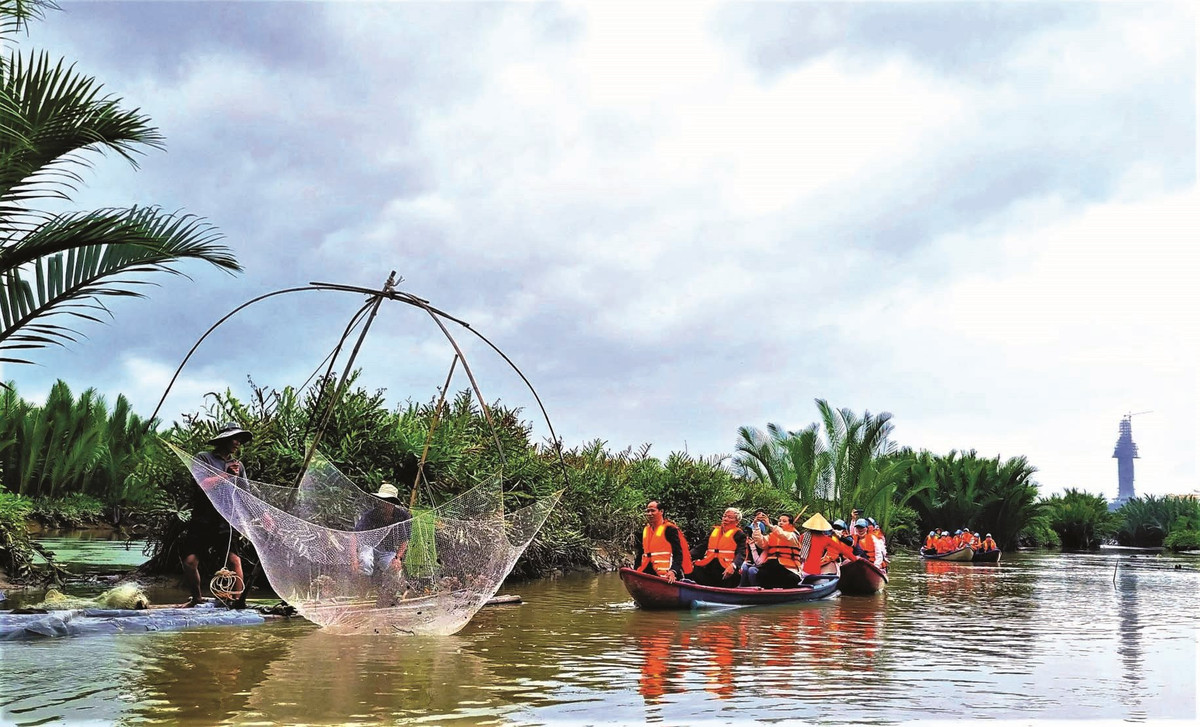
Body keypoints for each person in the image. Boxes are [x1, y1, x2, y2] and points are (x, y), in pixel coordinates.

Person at [182, 423, 253, 608]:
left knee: (234, 561)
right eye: (234, 439)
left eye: (239, 440)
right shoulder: (203, 458)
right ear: (224, 440)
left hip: (226, 518)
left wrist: (262, 515)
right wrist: (226, 475)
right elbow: (202, 485)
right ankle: (196, 599)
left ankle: (238, 602)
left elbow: (245, 493)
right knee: (190, 562)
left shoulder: (238, 465)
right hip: (203, 518)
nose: (238, 443)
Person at [352, 482, 412, 588]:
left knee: (393, 568)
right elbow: (354, 536)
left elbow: (405, 539)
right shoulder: (369, 516)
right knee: (365, 562)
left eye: (387, 501)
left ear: (393, 503)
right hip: (369, 547)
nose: (383, 504)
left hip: (388, 550)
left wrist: (398, 558)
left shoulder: (402, 517)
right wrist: (354, 559)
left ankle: (388, 593)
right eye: (381, 500)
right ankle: (362, 591)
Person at [689, 508, 748, 588]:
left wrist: (733, 566)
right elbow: (701, 547)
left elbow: (741, 553)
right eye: (724, 516)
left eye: (729, 517)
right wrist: (687, 556)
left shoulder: (739, 534)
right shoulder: (713, 531)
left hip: (725, 570)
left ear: (737, 522)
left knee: (734, 575)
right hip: (710, 567)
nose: (725, 519)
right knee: (694, 568)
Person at [633, 500, 688, 583]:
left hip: (666, 574)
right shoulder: (645, 530)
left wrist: (673, 571)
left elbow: (678, 554)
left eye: (652, 511)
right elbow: (641, 553)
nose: (649, 514)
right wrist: (634, 572)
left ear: (661, 511)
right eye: (648, 511)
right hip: (647, 570)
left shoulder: (670, 530)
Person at [756, 514, 805, 589]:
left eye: (784, 521)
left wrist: (769, 525)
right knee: (762, 573)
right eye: (779, 521)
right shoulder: (772, 535)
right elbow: (761, 543)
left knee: (790, 577)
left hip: (789, 569)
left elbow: (783, 535)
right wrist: (756, 526)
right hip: (772, 566)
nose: (780, 523)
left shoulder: (794, 535)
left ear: (790, 524)